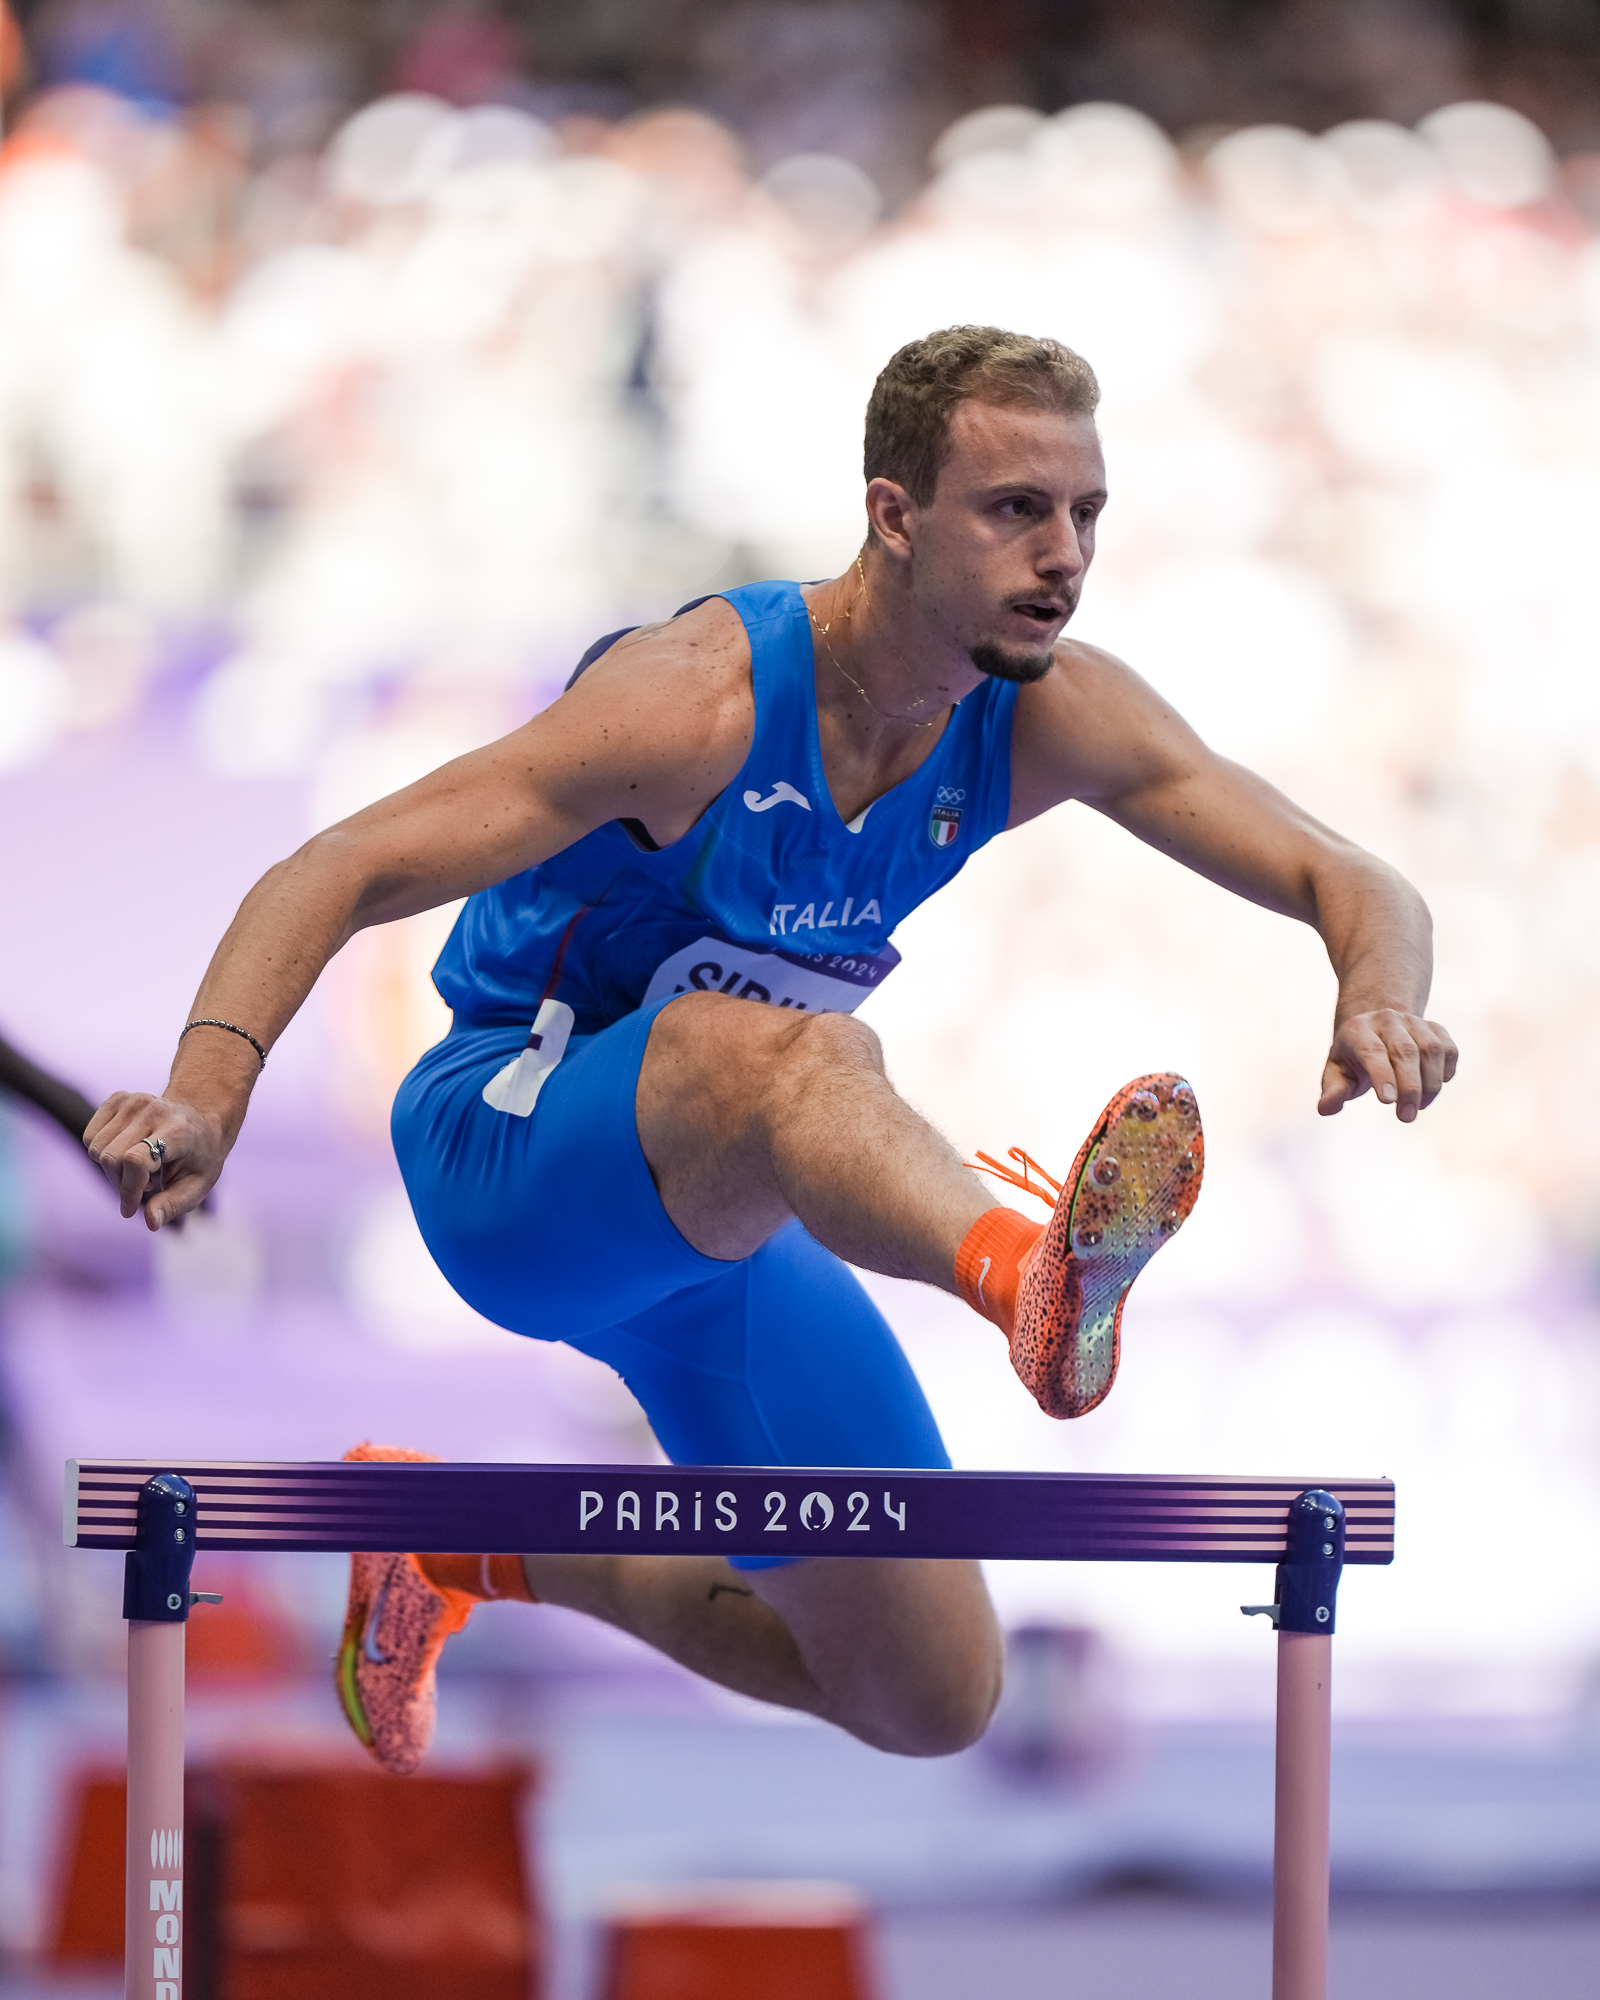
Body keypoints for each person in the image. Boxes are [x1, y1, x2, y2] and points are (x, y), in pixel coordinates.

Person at [85, 326, 1457, 1773]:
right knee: (804, 1058)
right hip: (510, 1151)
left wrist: (1380, 995)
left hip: (716, 1228)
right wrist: (207, 1096)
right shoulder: (698, 702)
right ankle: (1026, 1281)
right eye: (1015, 510)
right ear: (893, 515)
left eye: (1085, 512)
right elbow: (342, 864)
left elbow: (1357, 877)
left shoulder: (1046, 709)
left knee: (929, 1696)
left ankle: (458, 1548)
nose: (1063, 555)